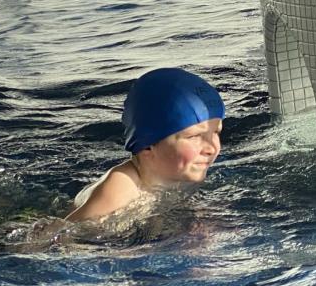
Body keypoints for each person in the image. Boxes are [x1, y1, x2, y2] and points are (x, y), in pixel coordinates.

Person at [66, 67, 225, 222]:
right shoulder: (121, 188)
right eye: (194, 136)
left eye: (216, 132)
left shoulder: (183, 173)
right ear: (148, 145)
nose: (211, 148)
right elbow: (62, 235)